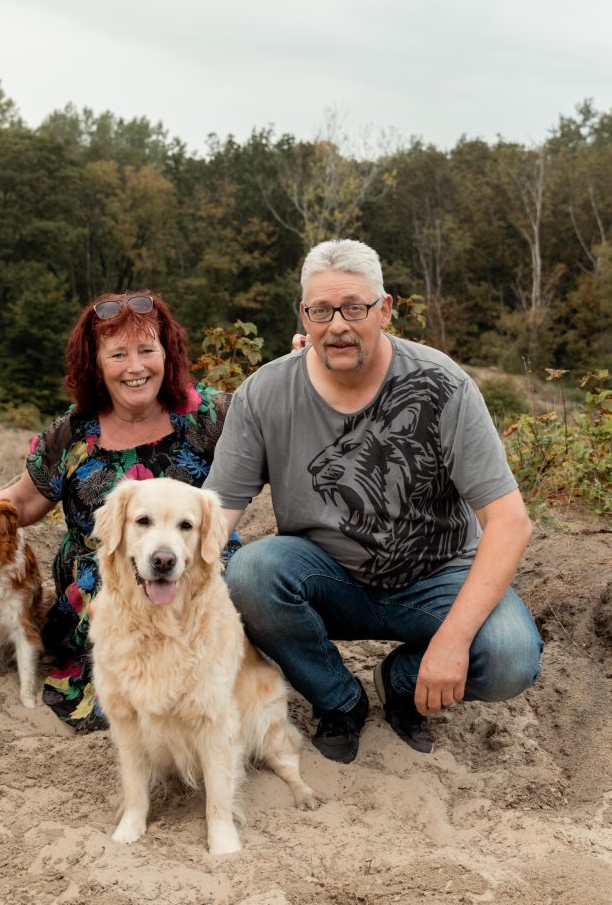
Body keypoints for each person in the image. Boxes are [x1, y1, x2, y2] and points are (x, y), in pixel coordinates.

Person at [203, 239, 543, 764]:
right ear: (304, 315)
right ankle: (339, 699)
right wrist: (170, 571)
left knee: (510, 658)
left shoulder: (444, 387)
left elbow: (510, 522)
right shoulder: (264, 393)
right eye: (321, 310)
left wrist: (451, 643)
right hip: (327, 578)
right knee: (250, 572)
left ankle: (402, 681)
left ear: (384, 310)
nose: (337, 324)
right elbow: (217, 511)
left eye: (354, 308)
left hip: (437, 579)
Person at [0, 290, 238, 732]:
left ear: (167, 353)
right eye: (118, 354)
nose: (136, 367)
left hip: (195, 555)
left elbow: (275, 427)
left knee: (237, 588)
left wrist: (305, 363)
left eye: (147, 350)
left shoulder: (207, 414)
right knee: (119, 614)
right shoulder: (73, 433)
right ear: (96, 363)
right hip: (106, 573)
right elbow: (24, 501)